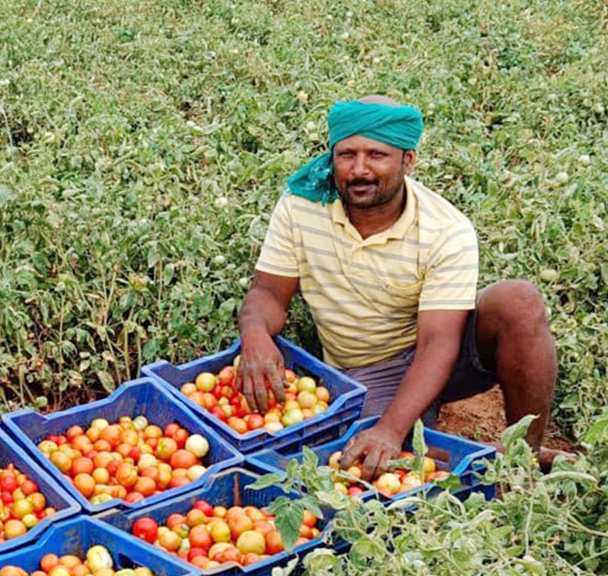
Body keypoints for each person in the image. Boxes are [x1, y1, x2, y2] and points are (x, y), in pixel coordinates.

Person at [237, 96, 559, 477]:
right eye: (347, 155)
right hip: (364, 371)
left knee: (519, 301)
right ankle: (476, 454)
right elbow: (270, 293)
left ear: (408, 161)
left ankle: (524, 454)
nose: (359, 170)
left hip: (440, 350)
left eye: (377, 155)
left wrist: (392, 427)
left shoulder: (445, 229)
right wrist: (255, 333)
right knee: (363, 460)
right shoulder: (300, 208)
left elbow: (439, 342)